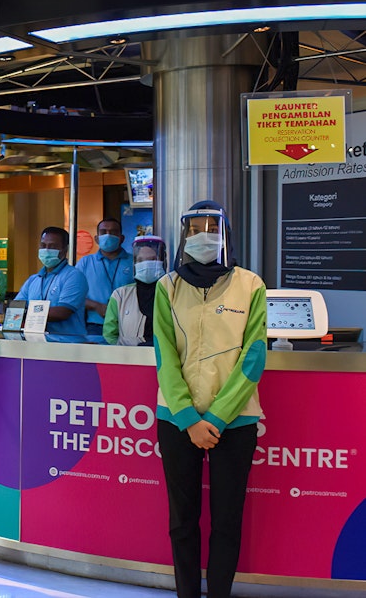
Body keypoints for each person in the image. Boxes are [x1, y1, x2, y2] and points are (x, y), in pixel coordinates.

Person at [154, 201, 266, 598]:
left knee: (226, 521)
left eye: (212, 227)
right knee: (182, 520)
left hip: (234, 423)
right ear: (183, 235)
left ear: (226, 234)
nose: (204, 235)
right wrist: (187, 416)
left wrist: (216, 419)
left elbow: (253, 358)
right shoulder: (167, 287)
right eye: (195, 228)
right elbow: (164, 355)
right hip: (176, 419)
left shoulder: (251, 285)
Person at [15, 227, 89, 335]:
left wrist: (26, 312)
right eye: (43, 245)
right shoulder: (33, 280)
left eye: (52, 246)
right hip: (36, 342)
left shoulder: (74, 276)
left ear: (64, 250)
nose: (46, 250)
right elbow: (16, 307)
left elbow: (62, 312)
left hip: (66, 344)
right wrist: (27, 312)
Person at [103, 235, 167, 346]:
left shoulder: (171, 293)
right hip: (129, 359)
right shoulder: (120, 295)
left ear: (162, 261)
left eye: (152, 259)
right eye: (141, 260)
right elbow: (109, 335)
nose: (146, 264)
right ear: (135, 264)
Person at [76, 218, 134, 335]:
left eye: (113, 232)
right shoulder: (85, 263)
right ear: (97, 238)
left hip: (129, 325)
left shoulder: (134, 261)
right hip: (95, 327)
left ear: (121, 238)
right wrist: (96, 306)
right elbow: (74, 296)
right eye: (103, 232)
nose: (108, 235)